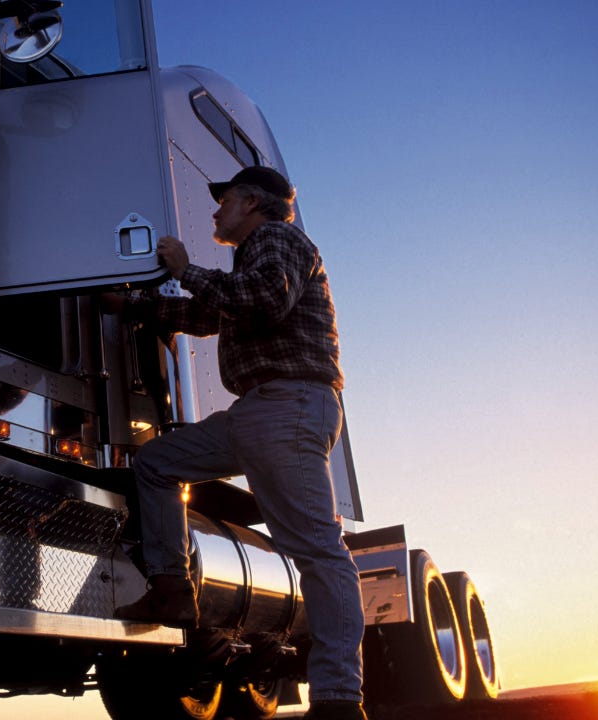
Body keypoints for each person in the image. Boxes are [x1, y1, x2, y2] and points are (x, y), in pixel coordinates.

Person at [109, 166, 368, 720]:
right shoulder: (251, 254)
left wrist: (185, 268)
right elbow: (207, 314)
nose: (215, 212)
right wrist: (133, 307)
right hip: (260, 410)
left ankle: (341, 698)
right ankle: (175, 588)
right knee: (156, 464)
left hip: (288, 404)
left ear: (252, 201)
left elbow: (263, 300)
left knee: (319, 552)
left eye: (223, 201)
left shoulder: (277, 240)